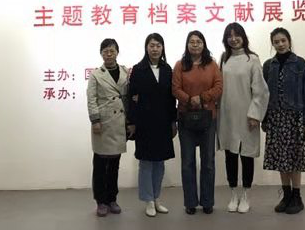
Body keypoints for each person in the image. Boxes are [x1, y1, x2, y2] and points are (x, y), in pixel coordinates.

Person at [262, 27, 305, 214]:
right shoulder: (268, 65)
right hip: (275, 118)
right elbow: (264, 94)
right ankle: (286, 195)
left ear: (289, 41)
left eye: (283, 40)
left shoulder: (300, 63)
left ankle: (297, 197)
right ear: (272, 44)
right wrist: (264, 119)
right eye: (276, 42)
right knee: (280, 159)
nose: (280, 44)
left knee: (295, 158)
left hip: (294, 118)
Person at [217, 22, 269, 214]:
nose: (233, 39)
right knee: (230, 155)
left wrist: (255, 114)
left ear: (243, 37)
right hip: (227, 116)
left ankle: (246, 194)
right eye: (229, 36)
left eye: (236, 35)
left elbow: (260, 90)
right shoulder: (224, 58)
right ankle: (233, 194)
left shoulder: (252, 59)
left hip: (247, 117)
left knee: (246, 155)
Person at [126, 33, 178, 217]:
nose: (155, 49)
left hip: (163, 122)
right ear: (146, 48)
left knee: (159, 163)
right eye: (151, 45)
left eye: (158, 45)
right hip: (144, 122)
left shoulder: (167, 69)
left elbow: (172, 99)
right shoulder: (138, 69)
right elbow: (132, 98)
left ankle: (156, 197)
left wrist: (173, 121)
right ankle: (147, 199)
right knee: (146, 162)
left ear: (162, 48)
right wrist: (132, 122)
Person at [172, 30, 223, 215]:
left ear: (204, 44)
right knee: (188, 162)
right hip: (186, 119)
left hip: (208, 118)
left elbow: (219, 86)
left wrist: (201, 98)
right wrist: (189, 99)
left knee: (208, 162)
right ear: (187, 45)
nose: (195, 44)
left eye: (199, 41)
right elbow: (175, 88)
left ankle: (207, 201)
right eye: (192, 41)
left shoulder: (212, 65)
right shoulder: (180, 65)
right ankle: (190, 202)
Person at [87, 38, 130, 217]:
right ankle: (100, 201)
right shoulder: (96, 74)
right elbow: (91, 99)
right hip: (103, 123)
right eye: (105, 51)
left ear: (117, 52)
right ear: (101, 54)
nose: (109, 54)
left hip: (119, 122)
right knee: (100, 164)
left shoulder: (125, 71)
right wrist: (95, 120)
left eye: (112, 50)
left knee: (114, 164)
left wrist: (130, 121)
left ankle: (112, 199)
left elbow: (128, 98)